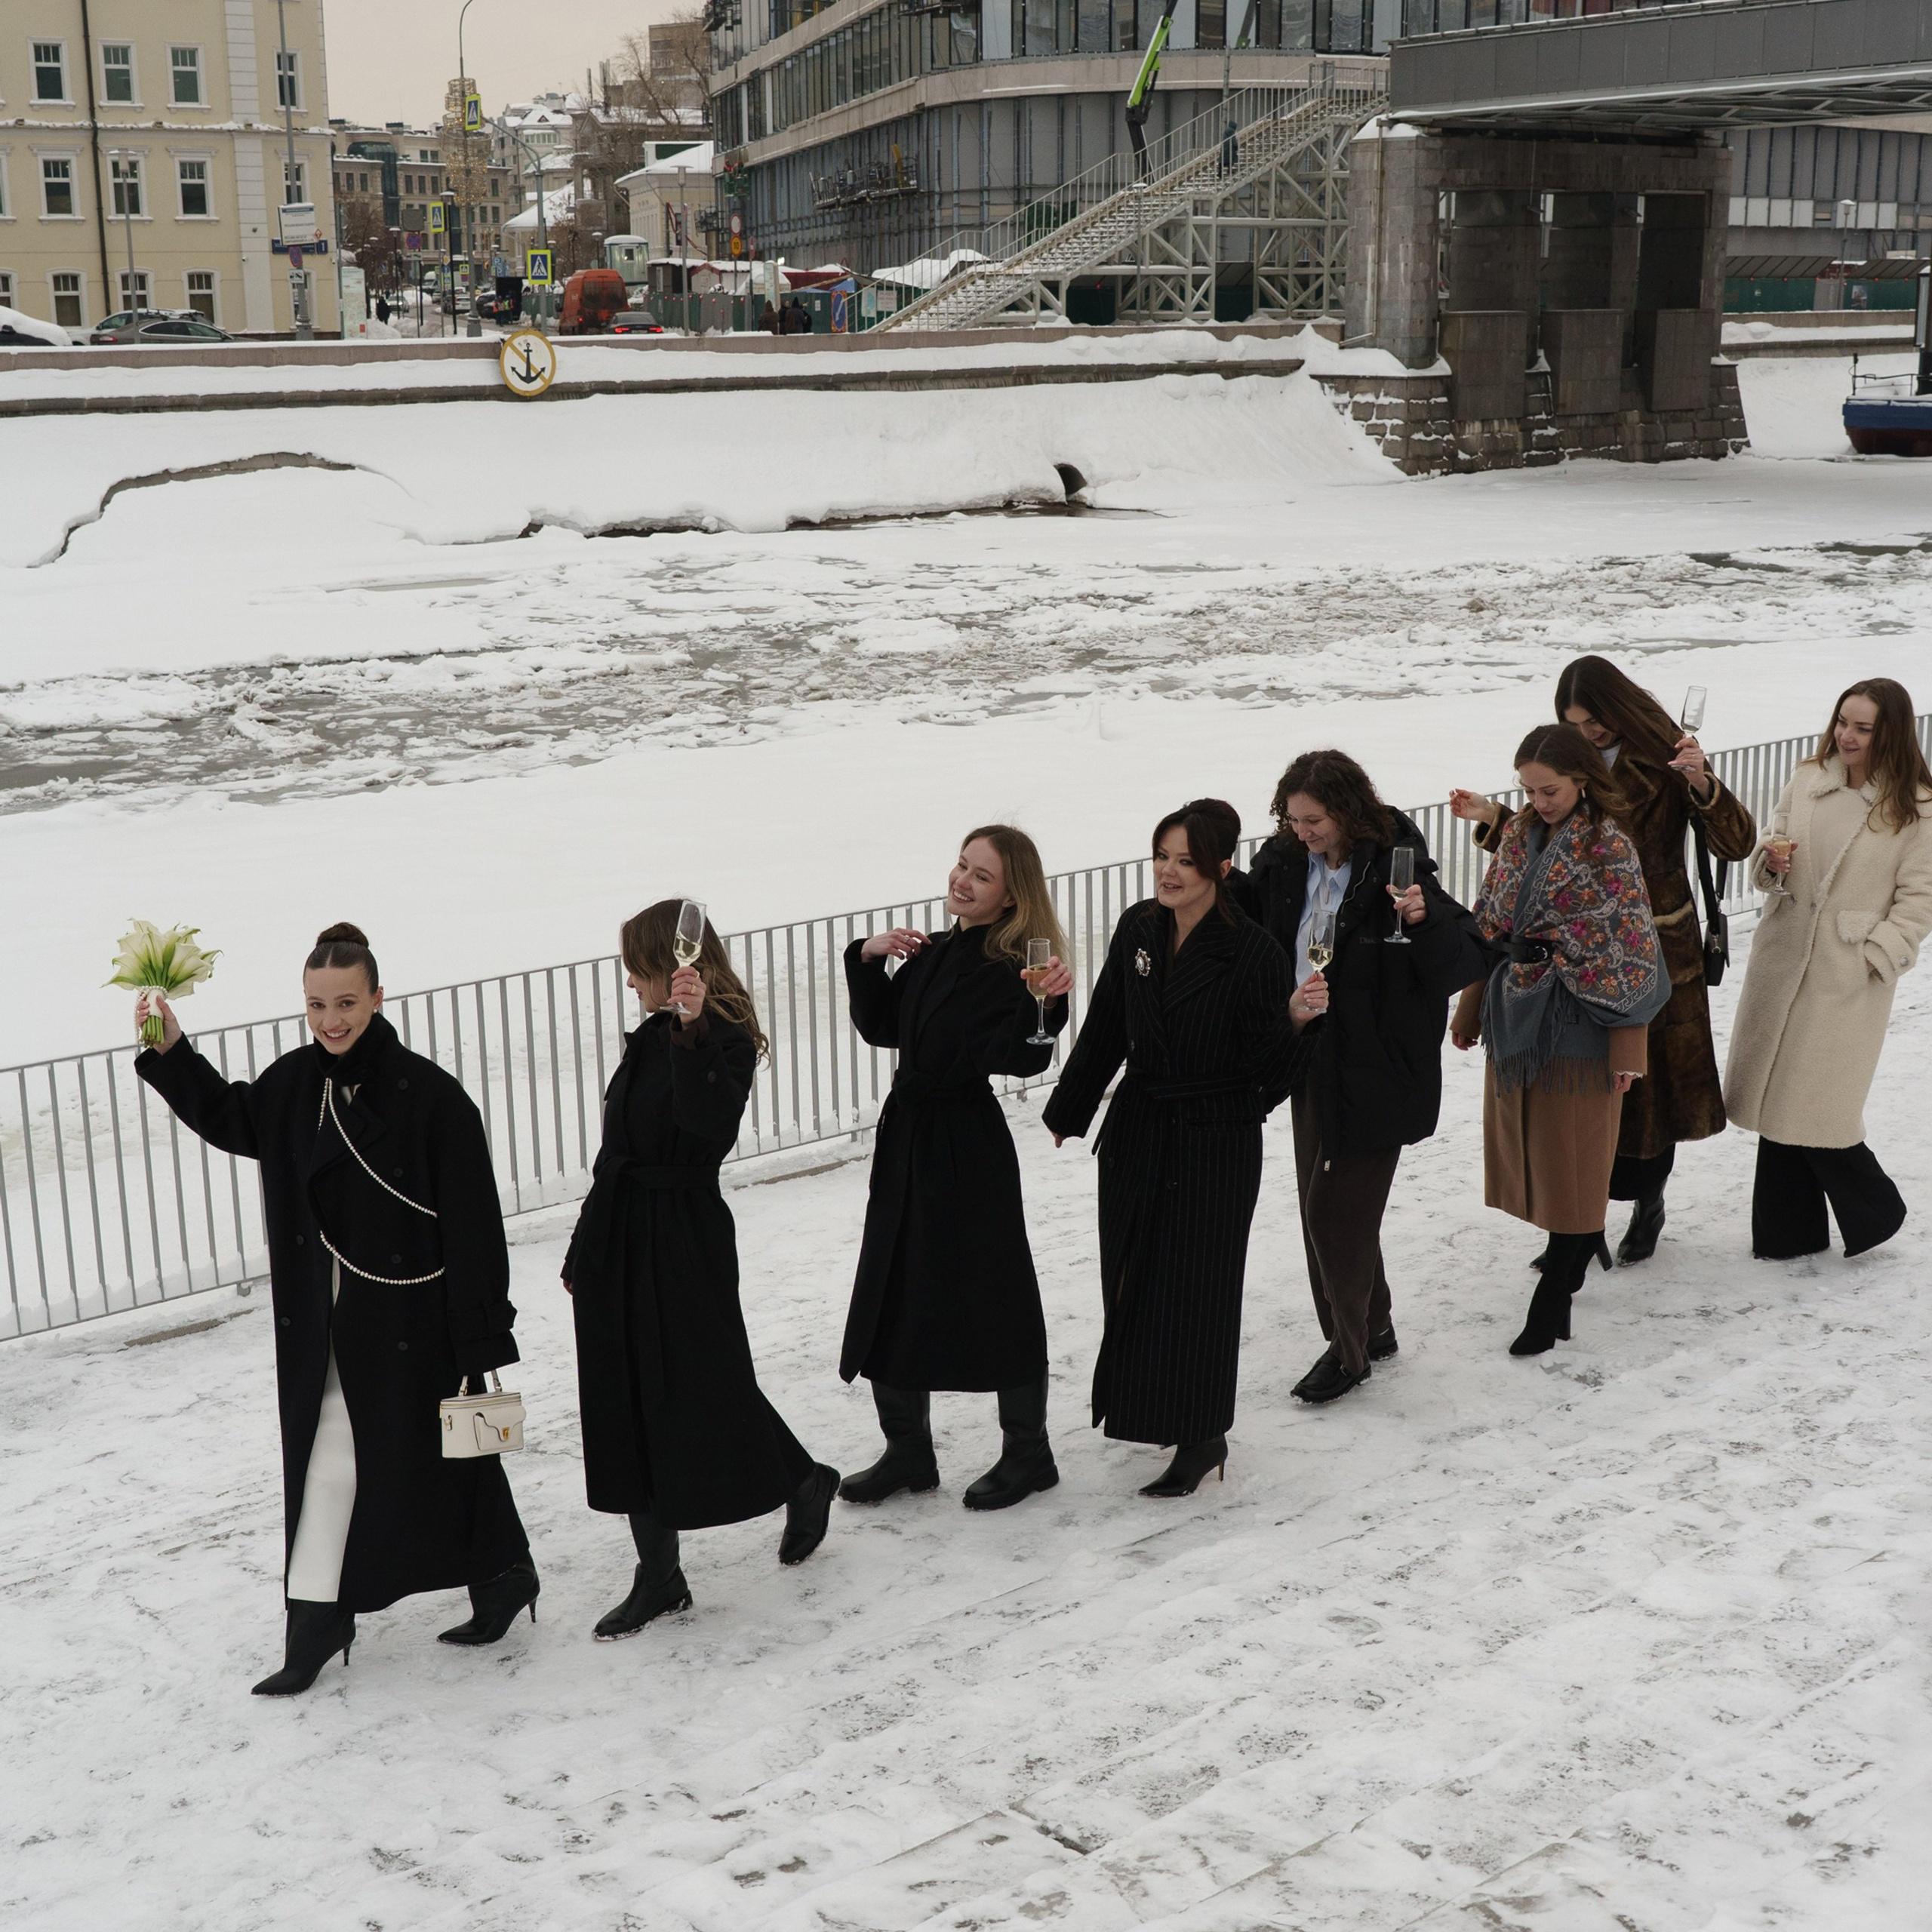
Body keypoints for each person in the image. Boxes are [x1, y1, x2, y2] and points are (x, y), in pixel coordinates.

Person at [133, 924, 534, 1696]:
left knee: (455, 1457)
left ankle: (502, 1573)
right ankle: (318, 1622)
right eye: (317, 1005)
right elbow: (228, 1115)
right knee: (326, 1466)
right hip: (325, 1325)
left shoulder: (434, 1096)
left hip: (419, 1323)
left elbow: (476, 1219)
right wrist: (169, 1049)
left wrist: (481, 1327)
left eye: (347, 1002)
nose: (332, 1020)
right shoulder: (292, 1086)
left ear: (378, 998)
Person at [563, 901, 840, 1638]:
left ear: (670, 964)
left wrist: (691, 1032)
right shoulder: (651, 1034)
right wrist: (584, 1246)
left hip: (685, 1234)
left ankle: (805, 1481)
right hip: (624, 1231)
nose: (629, 979)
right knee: (627, 1397)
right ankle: (660, 1575)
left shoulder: (720, 1039)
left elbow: (707, 1125)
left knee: (703, 1384)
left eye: (637, 966)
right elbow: (616, 1152)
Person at [1451, 656, 1755, 1264]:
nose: (1586, 732)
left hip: (1657, 951)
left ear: (1619, 707)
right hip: (1576, 957)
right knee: (1578, 1098)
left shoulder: (1669, 757)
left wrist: (1701, 782)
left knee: (1651, 1093)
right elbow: (1554, 845)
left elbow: (1737, 842)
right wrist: (1493, 820)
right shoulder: (1564, 767)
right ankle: (1577, 1227)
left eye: (1594, 720)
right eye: (1572, 721)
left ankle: (1650, 1204)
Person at [1043, 799, 1307, 1495]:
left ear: (1220, 866)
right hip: (1138, 1128)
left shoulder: (1252, 951)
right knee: (1132, 1276)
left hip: (1213, 1144)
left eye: (1185, 861)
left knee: (1197, 1292)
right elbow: (1105, 1021)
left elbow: (1274, 1066)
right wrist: (1069, 1107)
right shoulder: (1138, 925)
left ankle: (1202, 1437)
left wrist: (1237, 1110)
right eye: (1161, 856)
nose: (1168, 871)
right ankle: (1154, 1410)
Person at [1238, 751, 1491, 1404]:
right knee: (1322, 1207)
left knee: (1334, 1216)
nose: (1303, 831)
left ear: (1347, 811)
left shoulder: (1397, 870)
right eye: (1292, 819)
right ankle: (1374, 1327)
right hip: (1309, 1055)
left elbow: (1463, 960)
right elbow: (1249, 930)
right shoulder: (1282, 866)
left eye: (1314, 819)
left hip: (1380, 1065)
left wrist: (1421, 919)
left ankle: (1349, 1354)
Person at [840, 826, 1075, 1511]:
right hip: (909, 1136)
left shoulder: (1014, 966)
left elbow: (1027, 1056)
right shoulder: (937, 951)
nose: (962, 880)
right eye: (961, 865)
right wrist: (867, 956)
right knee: (894, 1284)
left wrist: (1050, 1004)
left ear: (1010, 897)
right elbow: (886, 1027)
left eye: (982, 875)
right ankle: (908, 1450)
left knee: (995, 1291)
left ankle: (1028, 1452)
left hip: (966, 1147)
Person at [1451, 728, 1669, 1355]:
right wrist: (1469, 1012)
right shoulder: (1519, 835)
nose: (1539, 801)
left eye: (1549, 789)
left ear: (1581, 780)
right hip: (1519, 1016)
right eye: (1528, 789)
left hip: (1584, 1024)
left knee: (1574, 1165)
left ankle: (1554, 1301)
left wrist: (1630, 1050)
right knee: (1546, 1157)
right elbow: (1493, 928)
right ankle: (1563, 1260)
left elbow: (1631, 954)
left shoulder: (1609, 848)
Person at [1724, 678, 1932, 1260]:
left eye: (1863, 727)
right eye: (1843, 721)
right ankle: (1788, 1237)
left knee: (1817, 1101)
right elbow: (1771, 853)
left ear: (1890, 732)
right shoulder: (1808, 779)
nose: (1846, 735)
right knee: (1779, 1096)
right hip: (1785, 956)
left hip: (1847, 973)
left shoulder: (1916, 807)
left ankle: (1875, 1209)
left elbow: (1921, 900)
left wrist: (1876, 955)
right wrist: (1770, 861)